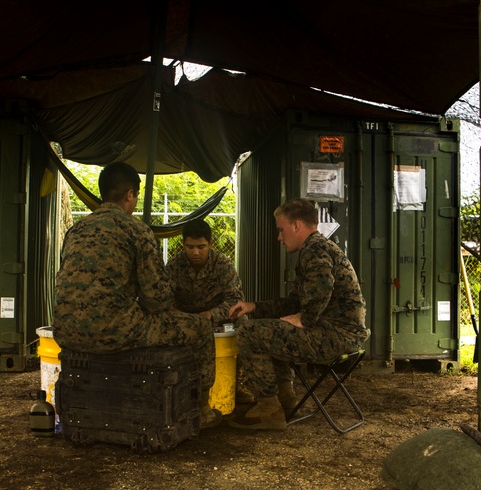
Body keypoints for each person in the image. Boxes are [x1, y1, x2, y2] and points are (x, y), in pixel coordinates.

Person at [54, 162, 221, 428]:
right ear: (130, 194)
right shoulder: (136, 231)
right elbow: (157, 300)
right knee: (200, 328)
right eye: (135, 197)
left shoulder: (76, 230)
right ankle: (201, 410)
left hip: (65, 332)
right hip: (115, 331)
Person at [227, 198, 369, 430]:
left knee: (250, 332)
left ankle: (268, 412)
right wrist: (254, 307)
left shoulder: (315, 249)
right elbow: (293, 302)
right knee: (272, 328)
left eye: (281, 230)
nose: (279, 237)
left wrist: (305, 318)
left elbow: (324, 284)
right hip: (341, 333)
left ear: (296, 226)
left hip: (335, 336)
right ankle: (287, 401)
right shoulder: (317, 248)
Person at [166, 218, 243, 324]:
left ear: (210, 243)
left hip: (215, 319)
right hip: (182, 320)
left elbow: (236, 299)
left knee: (241, 319)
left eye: (201, 247)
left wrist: (211, 314)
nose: (196, 252)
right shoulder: (174, 264)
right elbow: (164, 298)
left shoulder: (222, 264)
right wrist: (180, 315)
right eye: (190, 247)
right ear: (183, 244)